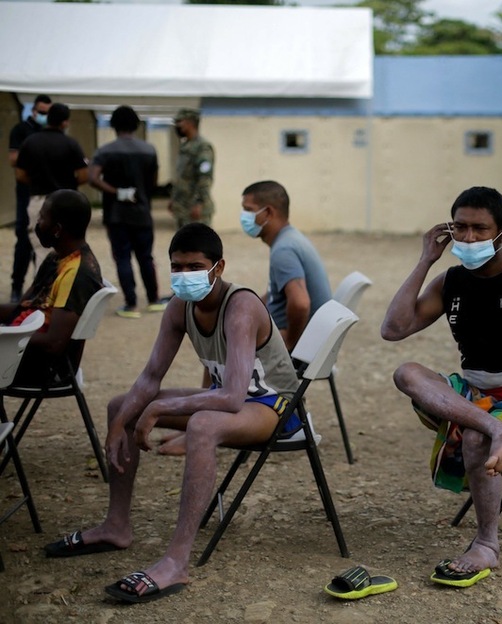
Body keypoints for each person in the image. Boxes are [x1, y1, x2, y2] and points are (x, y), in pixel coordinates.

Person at [42, 223, 301, 604]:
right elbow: (151, 376)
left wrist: (160, 408)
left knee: (202, 424)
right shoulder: (181, 306)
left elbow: (232, 397)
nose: (184, 275)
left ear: (219, 267)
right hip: (228, 398)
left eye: (194, 267)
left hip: (272, 405)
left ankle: (177, 561)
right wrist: (120, 423)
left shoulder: (241, 307)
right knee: (120, 405)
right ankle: (116, 526)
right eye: (176, 267)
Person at [381, 186, 502, 586]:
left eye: (480, 229)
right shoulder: (451, 281)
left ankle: (487, 544)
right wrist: (425, 260)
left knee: (474, 438)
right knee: (407, 372)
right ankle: (497, 429)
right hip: (478, 396)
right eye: (460, 228)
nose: (468, 238)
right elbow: (394, 329)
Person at [0, 189, 103, 387]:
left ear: (57, 229)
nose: (37, 224)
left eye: (41, 218)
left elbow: (54, 344)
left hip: (44, 368)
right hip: (18, 352)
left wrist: (6, 338)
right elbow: (22, 308)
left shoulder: (77, 274)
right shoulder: (56, 258)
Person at [89, 105, 167, 319]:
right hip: (142, 212)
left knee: (122, 257)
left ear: (113, 125)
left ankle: (131, 305)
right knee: (146, 257)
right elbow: (153, 182)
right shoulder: (149, 150)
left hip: (116, 214)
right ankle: (153, 300)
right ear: (135, 125)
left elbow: (93, 178)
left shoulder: (105, 151)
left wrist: (115, 192)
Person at [240, 180, 331, 351]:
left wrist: (290, 342)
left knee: (224, 343)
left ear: (268, 213)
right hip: (311, 340)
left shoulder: (284, 250)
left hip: (300, 348)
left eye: (249, 210)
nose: (243, 217)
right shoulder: (290, 238)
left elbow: (300, 303)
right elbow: (276, 294)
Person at [14, 102, 88, 268]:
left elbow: (20, 175)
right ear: (65, 122)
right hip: (68, 203)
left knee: (41, 251)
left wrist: (37, 182)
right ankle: (67, 281)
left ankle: (44, 283)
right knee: (70, 249)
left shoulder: (30, 142)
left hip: (40, 201)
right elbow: (84, 175)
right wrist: (69, 185)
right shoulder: (71, 144)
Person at [7, 94, 52, 303]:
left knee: (45, 242)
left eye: (47, 113)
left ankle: (40, 287)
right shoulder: (21, 130)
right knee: (24, 241)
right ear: (33, 110)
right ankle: (16, 286)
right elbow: (14, 160)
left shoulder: (50, 132)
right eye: (41, 112)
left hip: (47, 193)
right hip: (27, 193)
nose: (44, 116)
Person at [168, 108, 214, 228]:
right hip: (182, 206)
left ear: (190, 123)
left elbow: (205, 177)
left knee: (198, 239)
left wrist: (199, 203)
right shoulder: (186, 146)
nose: (177, 126)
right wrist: (174, 198)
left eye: (180, 122)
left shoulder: (202, 147)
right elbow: (182, 176)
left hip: (195, 208)